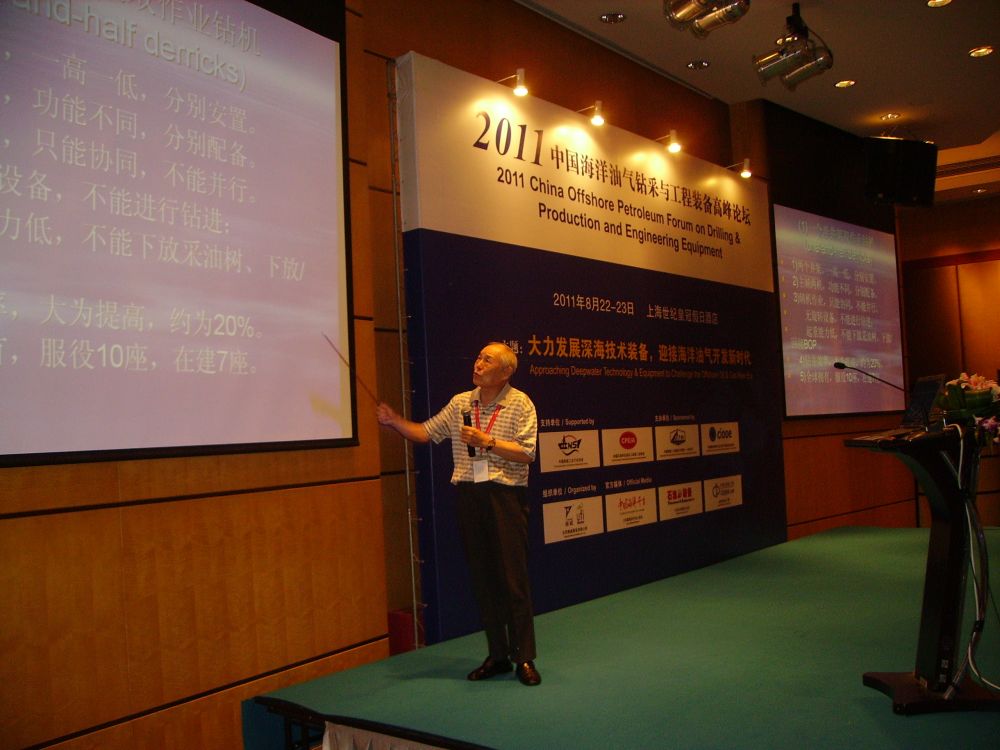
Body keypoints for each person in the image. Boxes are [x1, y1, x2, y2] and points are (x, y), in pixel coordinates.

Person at [376, 342, 541, 686]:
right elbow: (425, 432)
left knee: (512, 580)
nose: (478, 363)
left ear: (506, 372)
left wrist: (487, 441)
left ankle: (524, 657)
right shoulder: (460, 402)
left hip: (505, 496)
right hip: (469, 494)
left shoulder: (520, 403)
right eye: (478, 357)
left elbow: (527, 453)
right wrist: (394, 421)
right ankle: (498, 655)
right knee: (483, 579)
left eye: (487, 360)